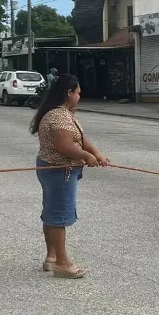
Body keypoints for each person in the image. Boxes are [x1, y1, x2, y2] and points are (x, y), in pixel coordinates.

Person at [31, 74, 108, 279]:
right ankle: (63, 264)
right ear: (68, 93)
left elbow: (81, 138)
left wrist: (97, 154)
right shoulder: (59, 116)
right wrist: (87, 157)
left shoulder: (64, 113)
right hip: (59, 170)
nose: (79, 97)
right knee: (58, 216)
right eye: (78, 93)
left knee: (51, 211)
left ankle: (52, 257)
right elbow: (64, 146)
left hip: (52, 168)